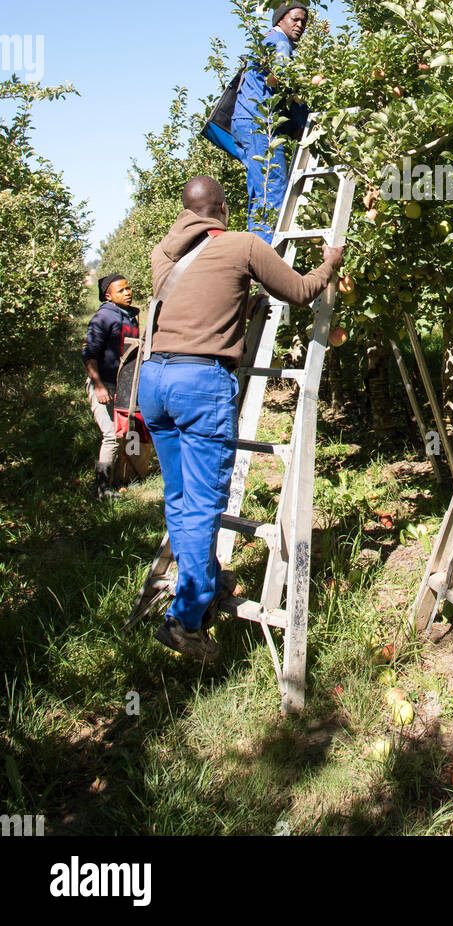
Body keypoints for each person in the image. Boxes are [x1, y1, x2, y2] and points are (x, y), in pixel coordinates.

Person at [137, 174, 343, 660]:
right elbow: (298, 291)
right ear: (223, 209)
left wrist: (239, 305)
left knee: (181, 495)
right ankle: (185, 621)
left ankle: (204, 582)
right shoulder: (243, 243)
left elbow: (192, 305)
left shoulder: (164, 253)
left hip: (155, 379)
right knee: (206, 502)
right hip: (199, 384)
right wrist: (330, 263)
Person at [231, 2, 311, 242]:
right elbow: (284, 76)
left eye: (303, 22)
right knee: (273, 186)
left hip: (244, 122)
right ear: (280, 20)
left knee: (260, 189)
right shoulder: (279, 42)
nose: (300, 25)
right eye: (295, 19)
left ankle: (257, 248)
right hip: (260, 124)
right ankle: (269, 258)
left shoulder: (264, 42)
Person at [83, 275, 139, 499]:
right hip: (103, 384)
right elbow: (89, 354)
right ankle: (100, 488)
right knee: (111, 435)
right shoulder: (104, 316)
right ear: (108, 296)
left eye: (128, 288)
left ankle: (115, 480)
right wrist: (98, 386)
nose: (128, 293)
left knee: (124, 433)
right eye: (121, 290)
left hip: (122, 384)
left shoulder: (129, 316)